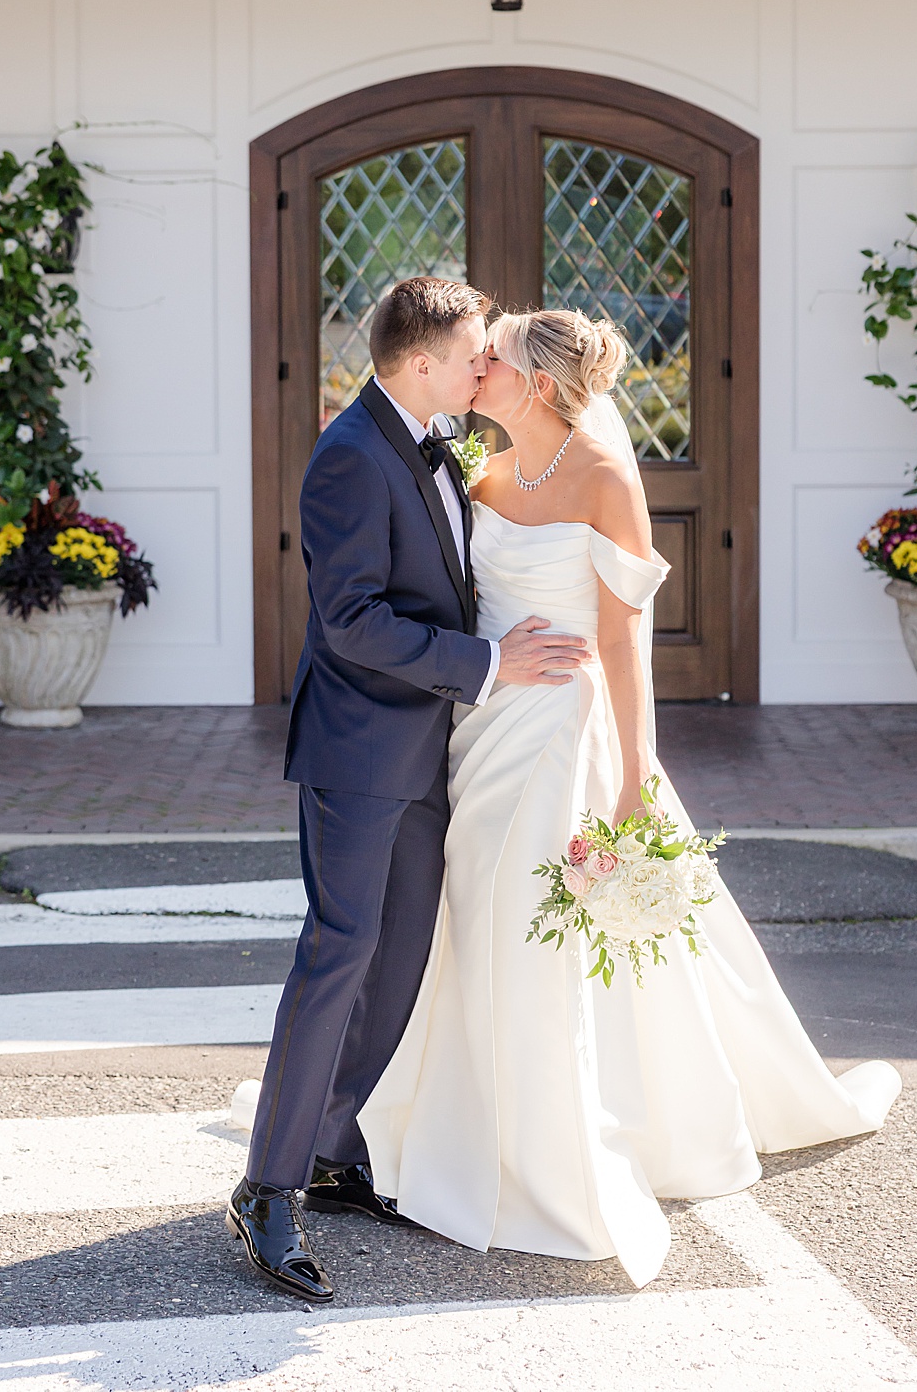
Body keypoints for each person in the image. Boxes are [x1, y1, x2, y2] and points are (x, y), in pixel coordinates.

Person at [355, 308, 898, 1286]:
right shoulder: (473, 457)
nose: (479, 365)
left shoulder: (606, 478)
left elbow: (622, 643)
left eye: (496, 357)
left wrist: (636, 775)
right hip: (481, 729)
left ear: (539, 382)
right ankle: (462, 1102)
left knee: (538, 923)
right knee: (473, 914)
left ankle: (548, 1139)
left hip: (564, 732)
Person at [230, 277, 593, 1302]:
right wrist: (486, 665)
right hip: (358, 753)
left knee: (400, 957)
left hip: (431, 748)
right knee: (338, 953)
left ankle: (340, 1145)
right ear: (421, 361)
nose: (484, 365)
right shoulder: (347, 457)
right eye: (474, 350)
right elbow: (350, 620)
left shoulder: (438, 442)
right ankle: (267, 1186)